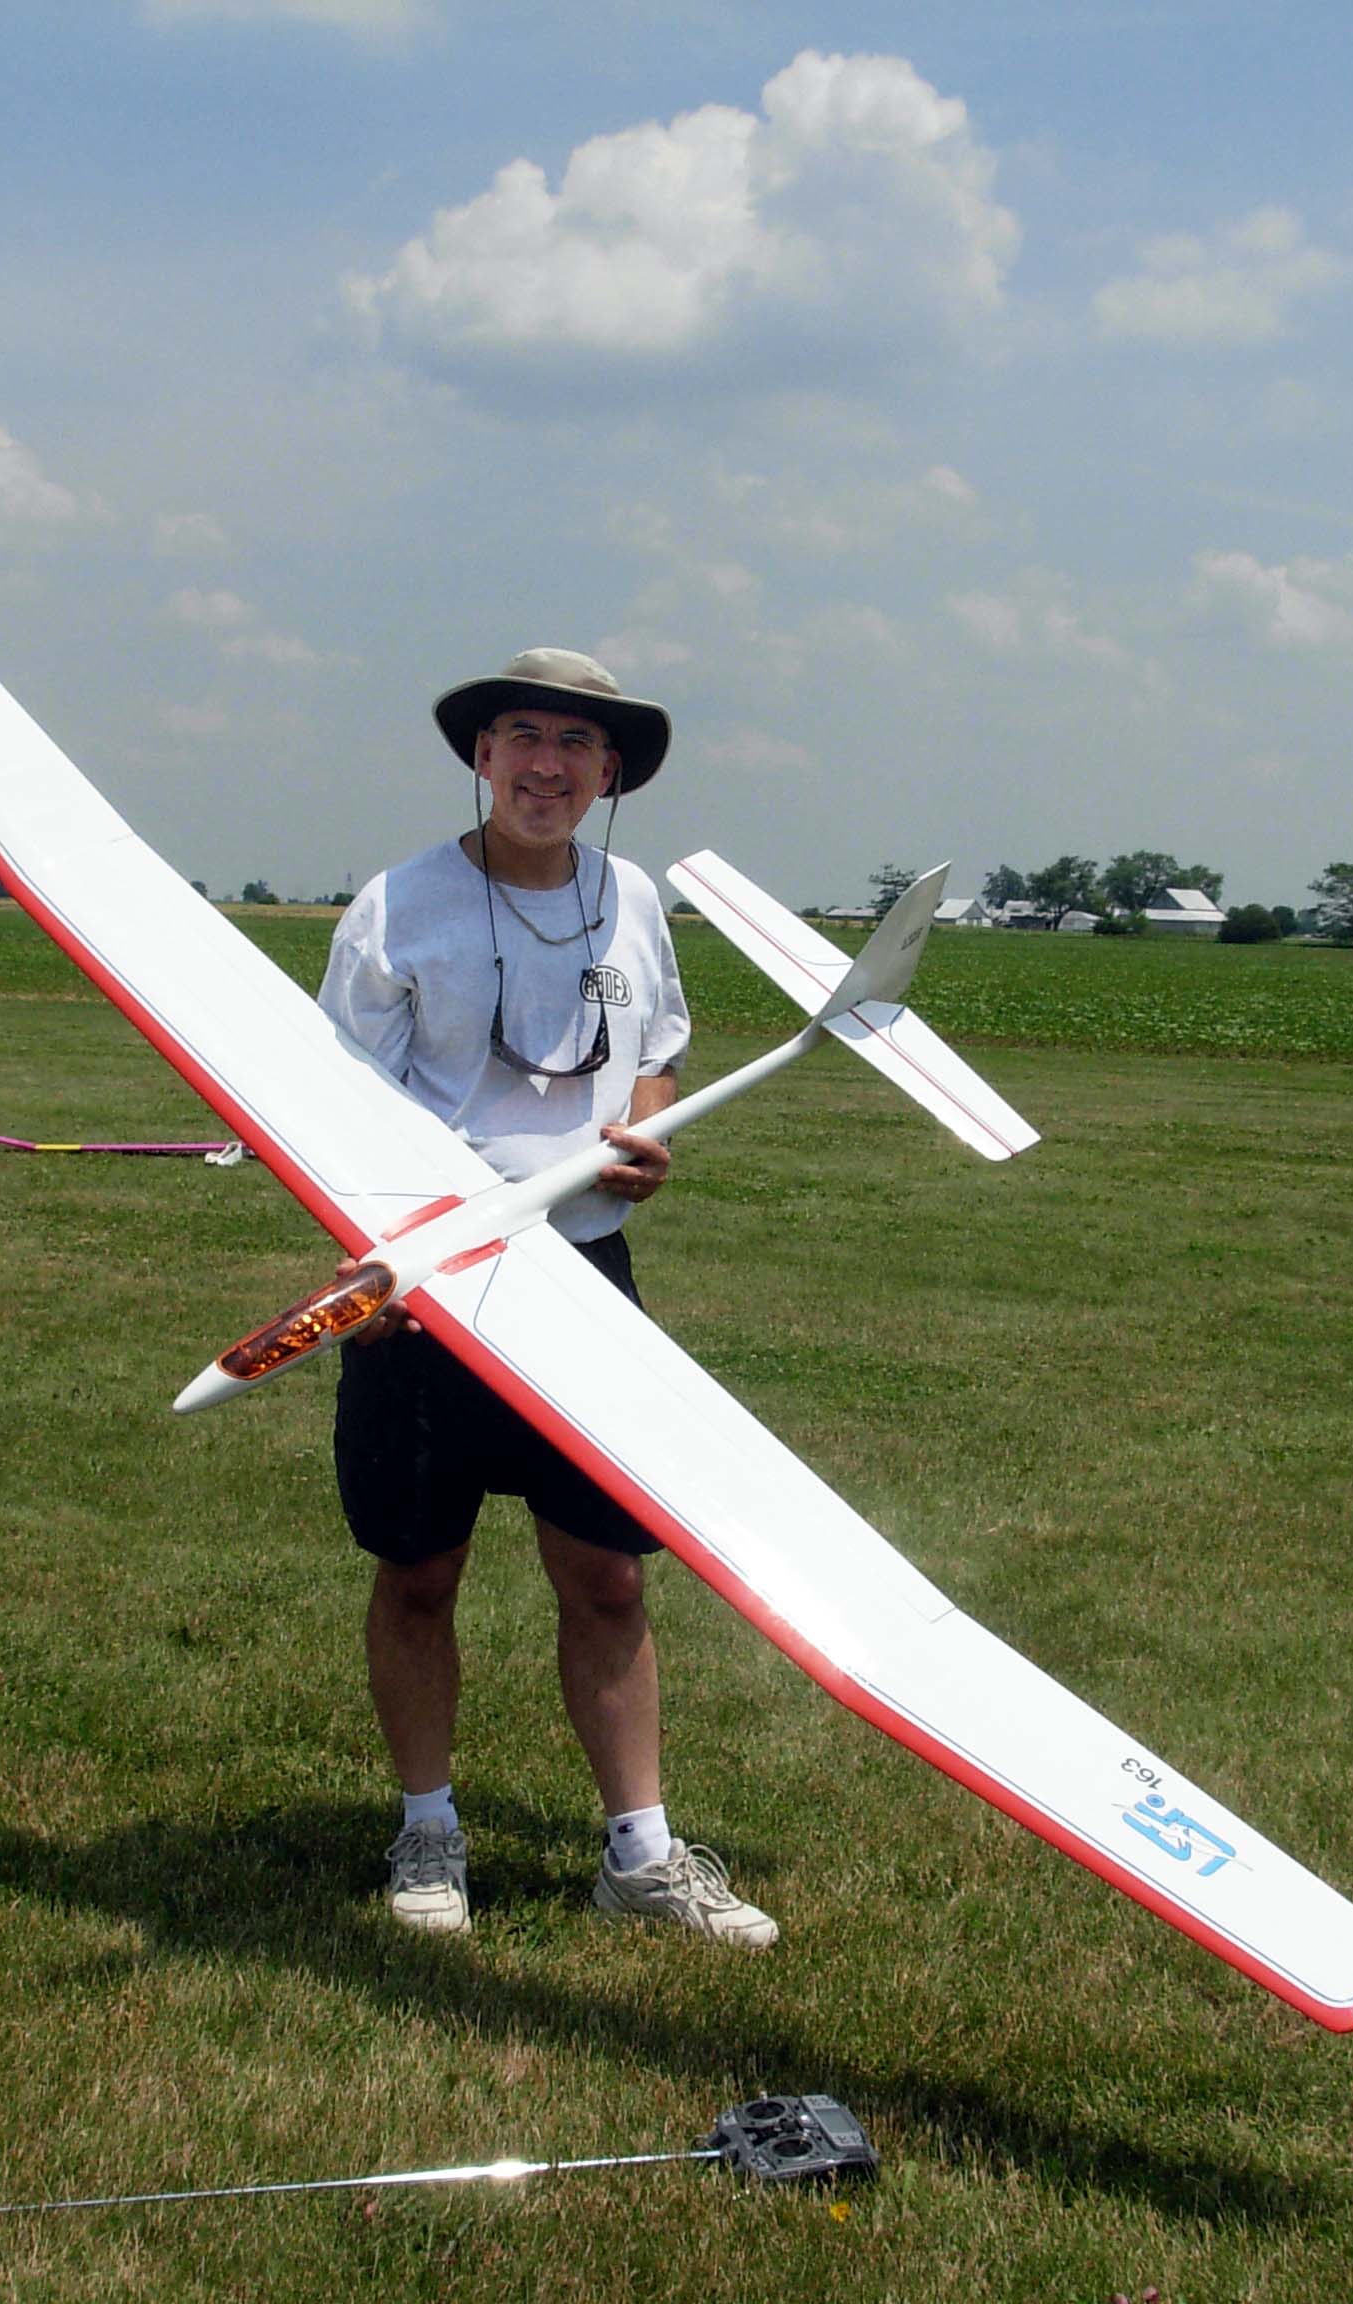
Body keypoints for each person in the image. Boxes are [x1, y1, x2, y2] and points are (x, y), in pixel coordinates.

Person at [317, 647, 776, 1949]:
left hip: (584, 1278)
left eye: (577, 744)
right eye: (523, 735)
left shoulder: (631, 898)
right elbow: (333, 1106)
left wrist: (645, 1133)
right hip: (431, 1287)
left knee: (610, 1576)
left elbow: (660, 1049)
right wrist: (375, 1260)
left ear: (608, 773)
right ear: (482, 755)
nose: (546, 765)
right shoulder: (398, 908)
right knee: (420, 1572)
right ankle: (428, 1832)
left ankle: (641, 1855)